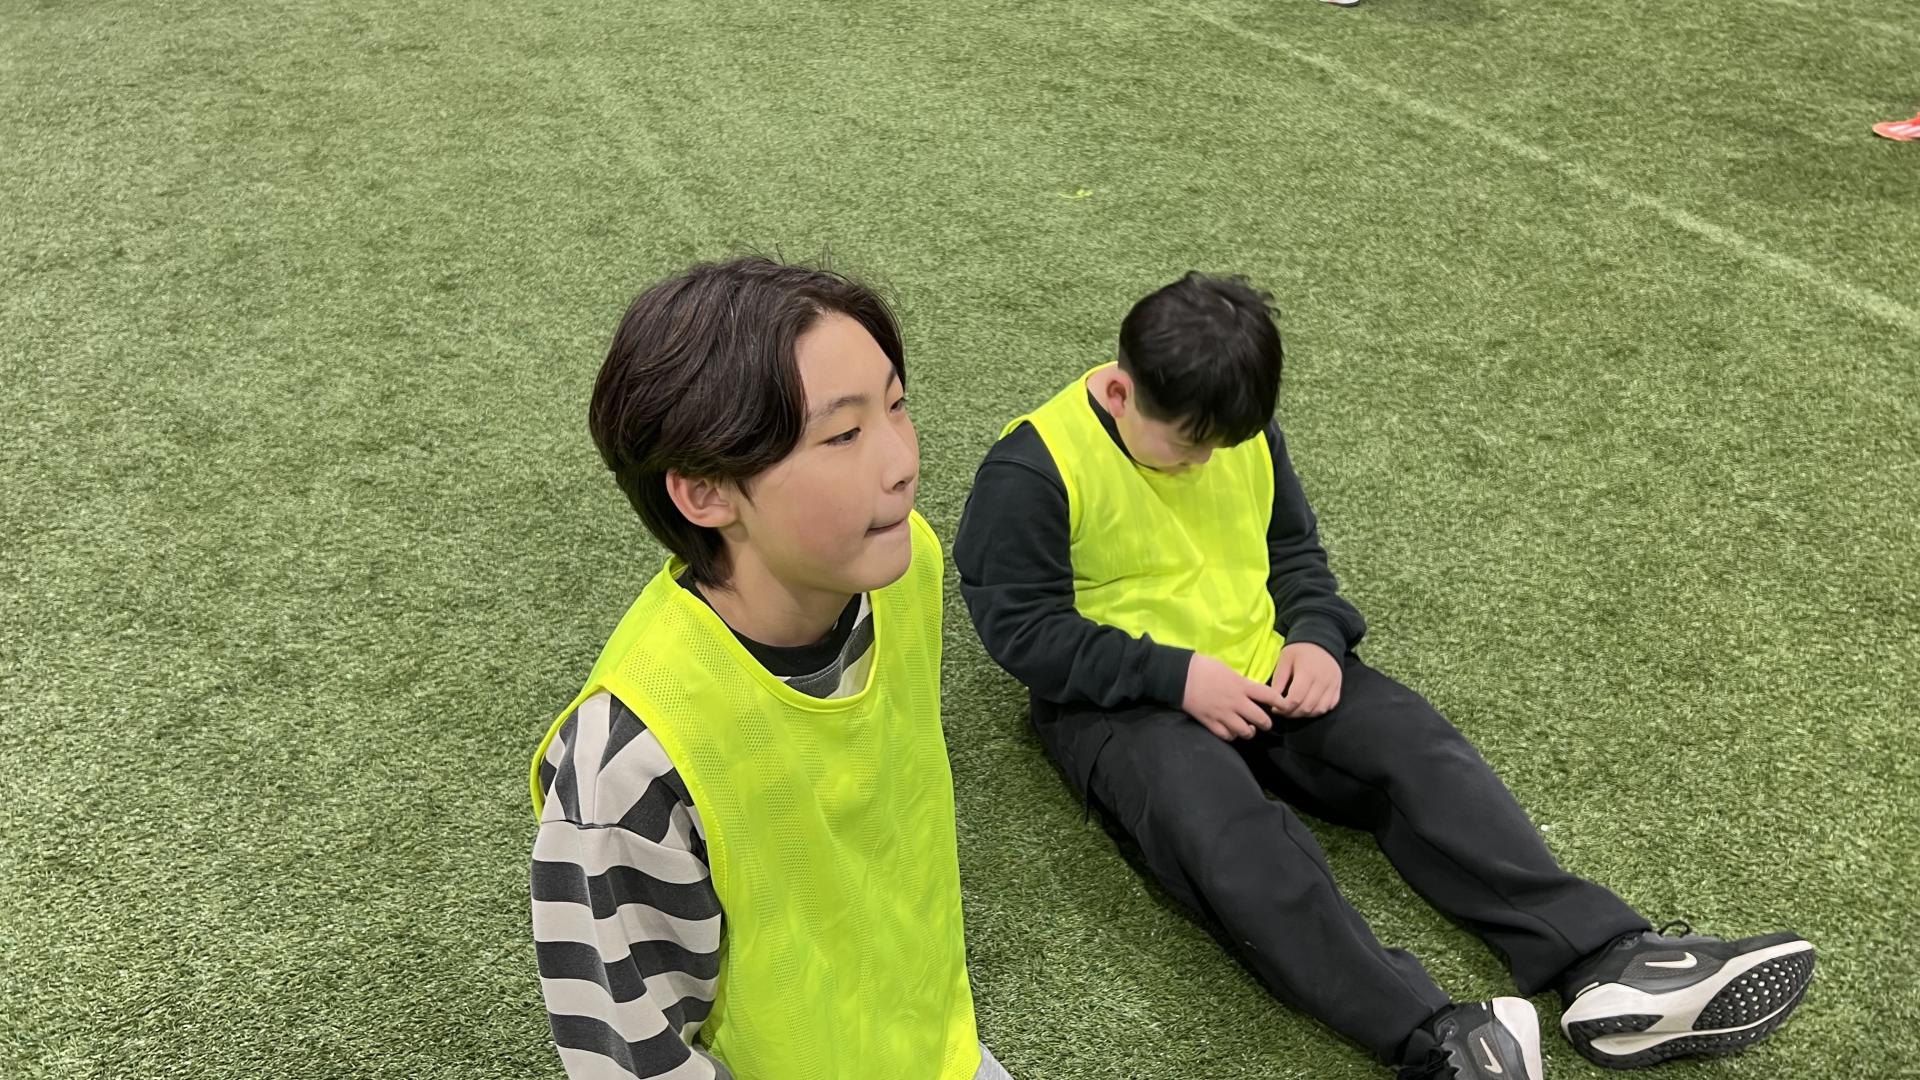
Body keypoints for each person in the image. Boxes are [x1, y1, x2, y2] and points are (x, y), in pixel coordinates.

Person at [952, 272, 1813, 1079]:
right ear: (1119, 392)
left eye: (1226, 444)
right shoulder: (1032, 470)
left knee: (1416, 749)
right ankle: (1439, 1040)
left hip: (1266, 664)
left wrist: (1318, 637)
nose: (1207, 462)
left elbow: (1293, 552)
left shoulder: (1236, 428)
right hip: (1124, 704)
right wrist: (1176, 677)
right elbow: (1021, 631)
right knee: (1233, 838)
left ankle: (1609, 962)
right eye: (1189, 445)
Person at [530, 257, 1009, 1080]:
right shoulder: (630, 765)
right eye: (843, 435)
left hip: (936, 1052)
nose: (901, 461)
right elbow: (632, 1057)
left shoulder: (906, 570)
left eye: (897, 406)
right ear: (706, 493)